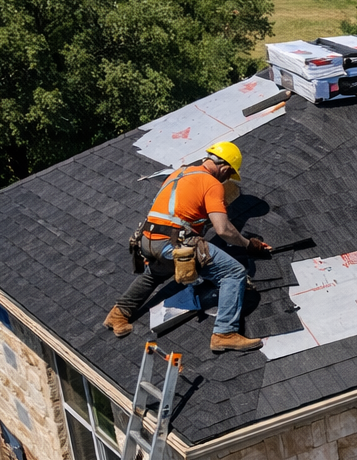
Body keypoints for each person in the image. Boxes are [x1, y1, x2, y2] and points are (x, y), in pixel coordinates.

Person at [103, 141, 269, 352]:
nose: (226, 180)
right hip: (172, 243)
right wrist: (249, 245)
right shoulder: (212, 184)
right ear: (225, 169)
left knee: (156, 273)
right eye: (228, 176)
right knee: (233, 272)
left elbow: (182, 213)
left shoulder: (179, 173)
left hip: (147, 240)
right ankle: (225, 333)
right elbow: (224, 230)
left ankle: (118, 314)